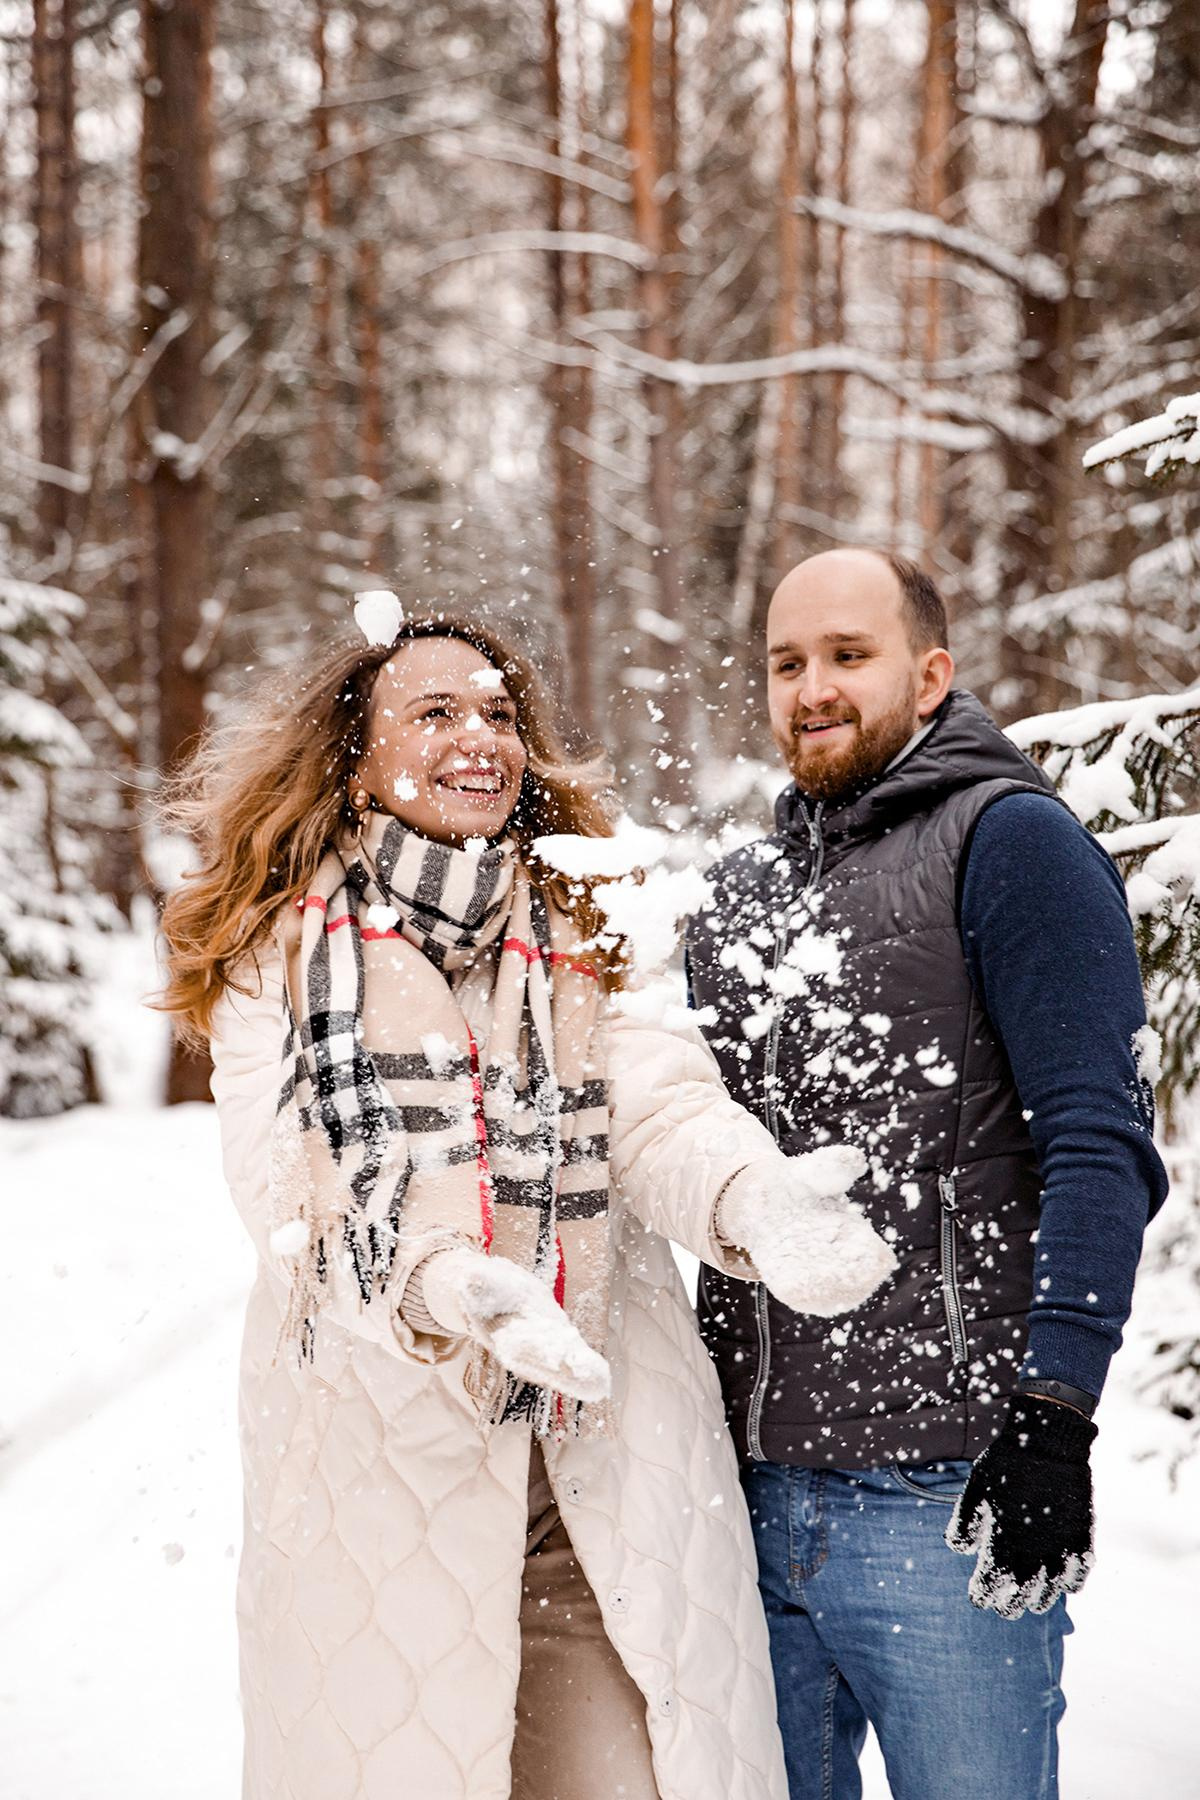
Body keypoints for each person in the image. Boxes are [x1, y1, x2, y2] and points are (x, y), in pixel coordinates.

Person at [156, 606, 896, 1800]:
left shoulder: (587, 921)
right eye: (435, 711)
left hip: (595, 1454)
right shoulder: (281, 953)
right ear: (356, 762)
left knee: (628, 1773)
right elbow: (286, 1189)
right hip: (379, 1476)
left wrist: (751, 1197)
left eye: (499, 714)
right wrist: (444, 1283)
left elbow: (657, 1104)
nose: (479, 737)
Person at [686, 548, 1169, 1800]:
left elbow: (1100, 1143)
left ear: (931, 673)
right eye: (788, 663)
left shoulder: (1014, 845)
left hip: (944, 1496)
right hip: (741, 1495)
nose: (813, 689)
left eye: (850, 656)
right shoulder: (740, 895)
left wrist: (1055, 1414)